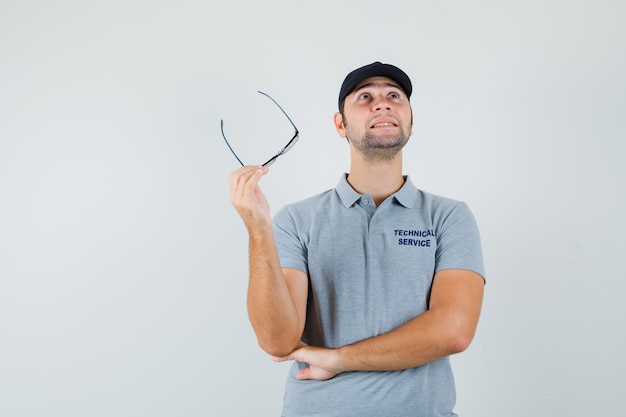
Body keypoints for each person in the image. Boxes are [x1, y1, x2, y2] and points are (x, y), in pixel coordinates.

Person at [228, 61, 485, 417]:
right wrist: (258, 228)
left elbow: (454, 330)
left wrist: (338, 359)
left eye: (394, 96)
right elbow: (277, 340)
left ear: (410, 121)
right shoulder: (296, 220)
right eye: (365, 97)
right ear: (340, 124)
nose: (382, 104)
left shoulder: (449, 217)